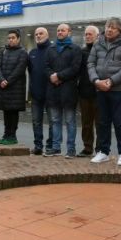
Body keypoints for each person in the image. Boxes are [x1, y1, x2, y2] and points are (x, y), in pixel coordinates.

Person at [87, 17, 121, 165]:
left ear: (120, 30)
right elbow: (90, 63)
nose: (109, 30)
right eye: (108, 26)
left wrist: (111, 81)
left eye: (113, 27)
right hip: (100, 89)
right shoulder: (98, 43)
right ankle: (103, 152)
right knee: (103, 122)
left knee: (119, 122)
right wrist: (96, 81)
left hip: (119, 90)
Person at [45, 23, 82, 158]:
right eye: (58, 30)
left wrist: (58, 76)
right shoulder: (51, 49)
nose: (60, 32)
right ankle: (56, 148)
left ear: (69, 32)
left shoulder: (75, 49)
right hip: (53, 91)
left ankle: (71, 149)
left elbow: (75, 68)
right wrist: (51, 76)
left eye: (63, 30)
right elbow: (46, 67)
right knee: (55, 120)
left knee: (70, 121)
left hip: (69, 91)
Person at [0, 29, 28, 145]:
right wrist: (1, 79)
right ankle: (6, 134)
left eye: (13, 38)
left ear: (18, 39)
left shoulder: (23, 52)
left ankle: (12, 136)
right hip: (3, 87)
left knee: (13, 112)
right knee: (6, 112)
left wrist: (7, 81)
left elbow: (20, 69)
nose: (11, 40)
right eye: (9, 38)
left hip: (15, 88)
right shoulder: (3, 51)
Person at [27, 27, 52, 154]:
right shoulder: (32, 53)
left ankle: (50, 146)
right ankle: (38, 146)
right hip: (36, 94)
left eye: (41, 33)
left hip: (51, 93)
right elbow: (31, 72)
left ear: (47, 35)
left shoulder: (53, 51)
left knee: (53, 121)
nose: (38, 35)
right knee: (36, 121)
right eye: (36, 34)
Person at [76, 25, 100, 157]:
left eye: (90, 34)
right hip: (84, 93)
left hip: (99, 93)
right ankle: (87, 148)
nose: (87, 36)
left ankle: (100, 149)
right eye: (86, 34)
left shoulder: (102, 51)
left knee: (100, 123)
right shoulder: (81, 52)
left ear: (97, 36)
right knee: (86, 123)